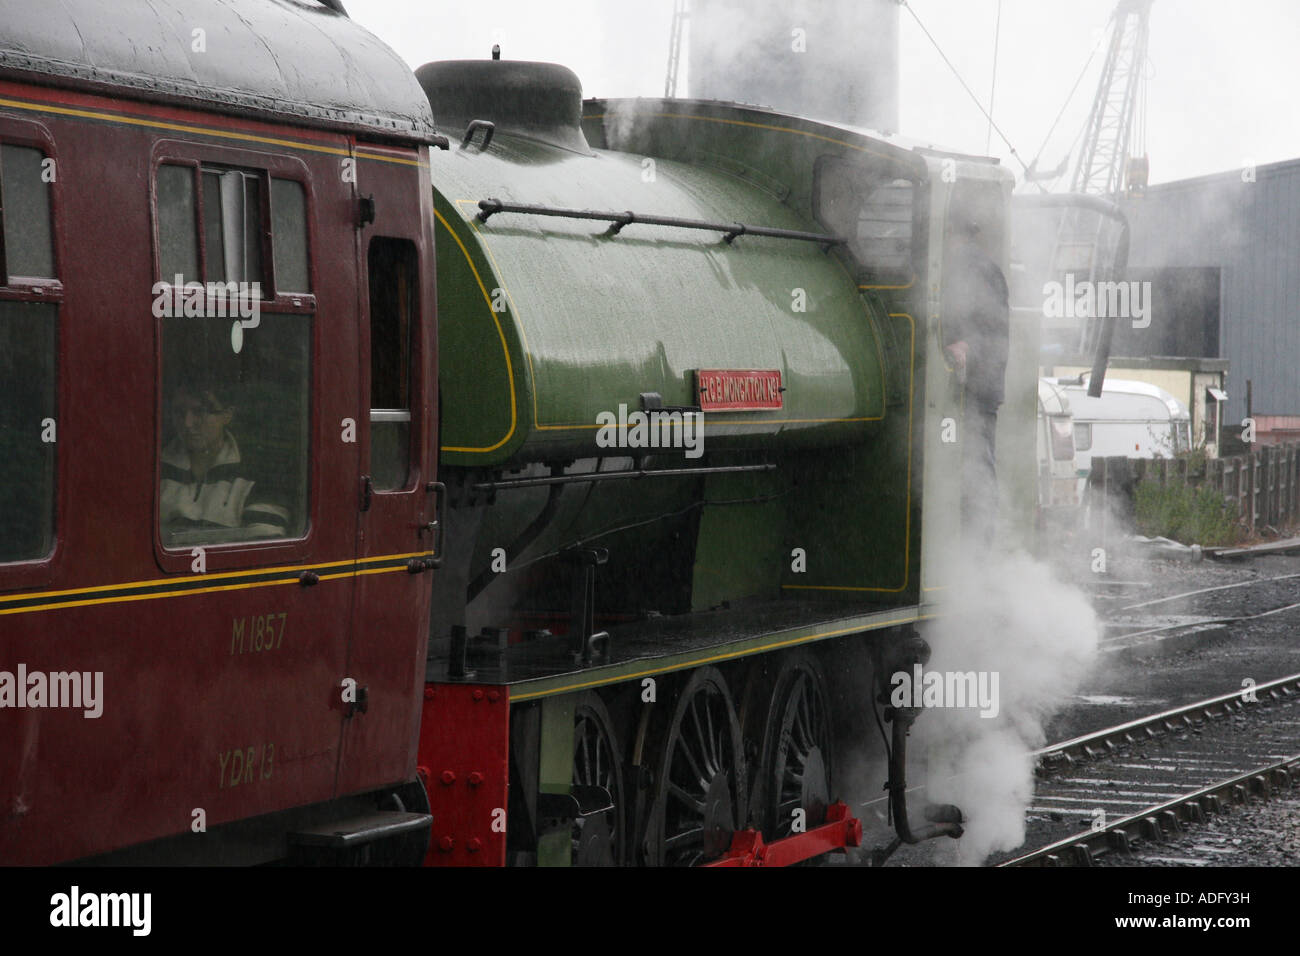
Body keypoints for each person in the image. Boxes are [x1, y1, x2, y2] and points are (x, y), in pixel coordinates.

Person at [942, 215, 1010, 544]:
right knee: (977, 466)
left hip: (976, 385)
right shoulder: (982, 265)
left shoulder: (968, 267)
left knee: (976, 468)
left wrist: (961, 343)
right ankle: (975, 554)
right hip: (982, 383)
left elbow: (983, 322)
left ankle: (976, 555)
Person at [160, 381, 289, 540]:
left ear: (227, 415)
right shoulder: (153, 466)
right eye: (179, 412)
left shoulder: (258, 473)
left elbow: (265, 549)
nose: (187, 423)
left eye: (200, 412)